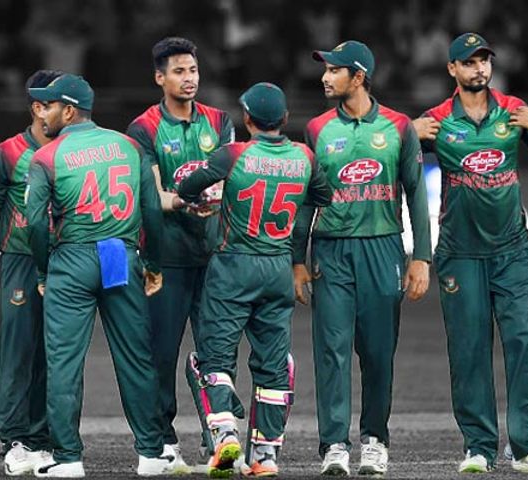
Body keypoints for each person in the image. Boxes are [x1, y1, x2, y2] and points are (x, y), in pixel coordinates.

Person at [413, 32, 528, 474]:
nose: (479, 68)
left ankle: (527, 446)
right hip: (460, 253)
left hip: (513, 250)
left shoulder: (514, 111)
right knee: (469, 350)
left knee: (523, 342)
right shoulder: (437, 120)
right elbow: (391, 164)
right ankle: (478, 447)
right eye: (469, 62)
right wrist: (406, 135)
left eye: (484, 60)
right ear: (452, 69)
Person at [178, 82, 332, 478]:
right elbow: (323, 196)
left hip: (233, 266)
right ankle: (265, 456)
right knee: (274, 365)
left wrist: (211, 197)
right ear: (284, 118)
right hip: (278, 268)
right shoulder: (304, 156)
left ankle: (225, 434)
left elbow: (187, 188)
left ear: (247, 119)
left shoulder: (234, 154)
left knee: (211, 360)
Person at [293, 40, 432, 476]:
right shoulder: (316, 128)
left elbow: (416, 193)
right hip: (330, 250)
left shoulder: (399, 126)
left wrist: (421, 257)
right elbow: (306, 200)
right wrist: (297, 259)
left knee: (377, 351)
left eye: (334, 70)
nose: (324, 77)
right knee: (331, 350)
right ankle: (334, 444)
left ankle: (374, 439)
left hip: (383, 247)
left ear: (358, 77)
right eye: (325, 70)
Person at [24, 73, 171, 478]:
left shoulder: (46, 157)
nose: (42, 113)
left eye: (49, 105)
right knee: (135, 357)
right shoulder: (128, 146)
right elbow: (152, 211)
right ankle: (151, 454)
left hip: (71, 258)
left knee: (64, 362)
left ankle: (68, 458)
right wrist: (153, 264)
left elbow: (35, 223)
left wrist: (43, 269)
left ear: (69, 111)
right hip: (117, 254)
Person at [126, 36, 235, 469]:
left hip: (214, 255)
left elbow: (229, 176)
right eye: (178, 71)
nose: (189, 79)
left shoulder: (220, 121)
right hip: (166, 257)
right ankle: (163, 440)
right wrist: (190, 200)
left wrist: (212, 196)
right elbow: (151, 196)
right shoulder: (144, 128)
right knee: (161, 354)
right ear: (160, 78)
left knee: (217, 352)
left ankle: (219, 434)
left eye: (192, 70)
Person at [0, 69, 63, 476]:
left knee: (54, 353)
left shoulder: (74, 149)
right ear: (39, 108)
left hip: (65, 262)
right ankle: (15, 440)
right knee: (19, 350)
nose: (69, 111)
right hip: (21, 261)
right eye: (60, 104)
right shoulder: (7, 153)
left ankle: (42, 439)